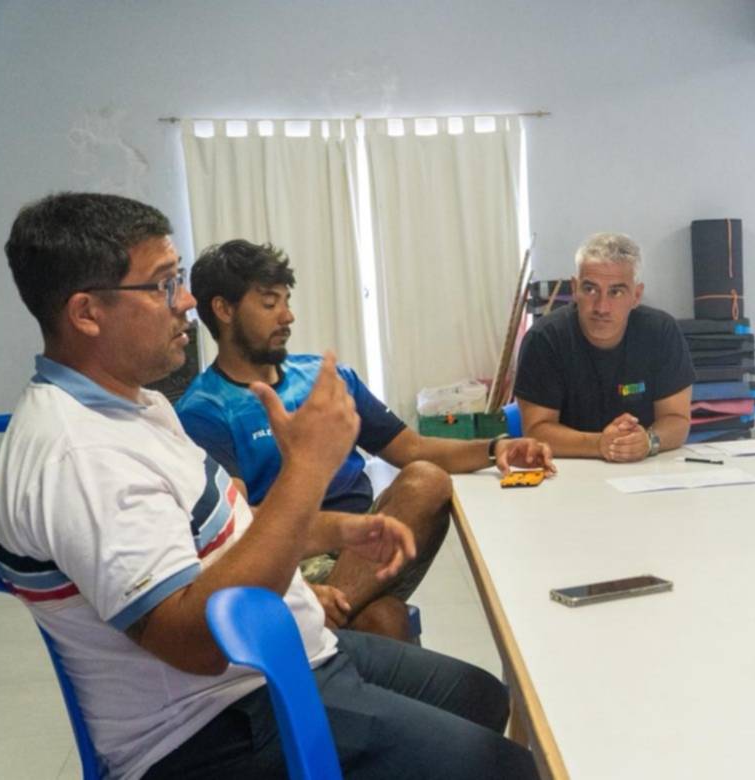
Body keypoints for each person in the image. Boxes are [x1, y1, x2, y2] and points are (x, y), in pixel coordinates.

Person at [0, 192, 539, 778]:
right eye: (164, 285)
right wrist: (306, 468)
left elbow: (227, 530)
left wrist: (335, 528)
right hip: (217, 723)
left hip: (286, 655)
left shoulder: (136, 404)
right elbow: (199, 644)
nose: (186, 303)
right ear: (86, 313)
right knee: (507, 767)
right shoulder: (81, 455)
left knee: (482, 697)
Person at [176, 239, 555, 641]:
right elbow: (234, 525)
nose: (288, 316)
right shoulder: (204, 410)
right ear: (224, 310)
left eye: (287, 300)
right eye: (270, 303)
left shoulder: (325, 378)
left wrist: (496, 448)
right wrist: (305, 579)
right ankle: (325, 614)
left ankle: (325, 617)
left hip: (366, 544)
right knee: (384, 618)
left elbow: (411, 448)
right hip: (291, 557)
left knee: (427, 479)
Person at [514, 232, 695, 461]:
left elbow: (677, 419)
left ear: (636, 296)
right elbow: (536, 430)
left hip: (642, 467)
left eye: (616, 292)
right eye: (590, 289)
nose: (601, 307)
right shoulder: (544, 339)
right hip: (568, 469)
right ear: (574, 289)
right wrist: (600, 444)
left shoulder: (661, 332)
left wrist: (649, 441)